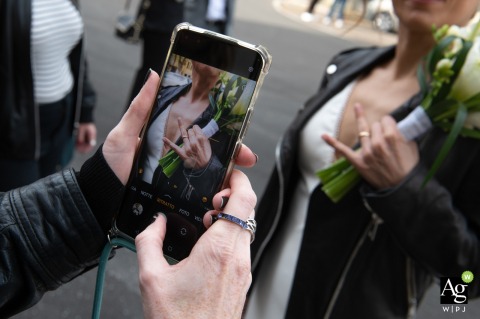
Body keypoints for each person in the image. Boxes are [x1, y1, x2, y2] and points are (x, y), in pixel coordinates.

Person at [245, 0, 480, 318]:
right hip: (255, 294)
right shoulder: (348, 65)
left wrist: (407, 190)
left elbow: (468, 281)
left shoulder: (470, 118)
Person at [0, 70, 258, 318]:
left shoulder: (219, 119)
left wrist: (94, 195)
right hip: (137, 202)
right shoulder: (170, 92)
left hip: (178, 215)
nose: (211, 61)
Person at [0, 0, 97, 192]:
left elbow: (75, 55)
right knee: (20, 208)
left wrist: (85, 112)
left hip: (60, 119)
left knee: (44, 198)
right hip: (14, 128)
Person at [125, 0, 184, 110]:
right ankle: (136, 115)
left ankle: (135, 114)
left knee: (151, 73)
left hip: (164, 20)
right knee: (152, 73)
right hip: (161, 21)